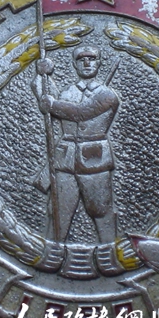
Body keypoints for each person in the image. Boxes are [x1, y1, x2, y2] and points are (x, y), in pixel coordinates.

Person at [31, 46, 119, 243]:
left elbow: (81, 112)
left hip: (95, 161)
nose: (87, 63)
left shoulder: (107, 95)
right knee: (58, 211)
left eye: (92, 59)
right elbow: (46, 98)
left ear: (99, 63)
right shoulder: (67, 92)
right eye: (81, 59)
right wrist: (42, 75)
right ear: (74, 64)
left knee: (100, 209)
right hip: (65, 160)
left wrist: (52, 105)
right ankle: (52, 251)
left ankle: (110, 251)